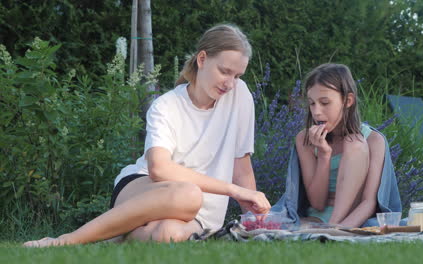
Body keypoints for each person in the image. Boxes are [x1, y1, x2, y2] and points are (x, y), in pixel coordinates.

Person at [24, 24, 271, 247]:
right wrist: (234, 191)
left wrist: (255, 219)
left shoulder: (240, 96)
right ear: (202, 59)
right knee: (188, 193)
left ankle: (112, 236)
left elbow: (241, 164)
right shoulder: (166, 105)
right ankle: (65, 241)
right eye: (225, 71)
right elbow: (159, 169)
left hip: (200, 214)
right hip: (144, 189)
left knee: (168, 234)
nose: (230, 83)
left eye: (237, 76)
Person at [270, 63, 401, 228]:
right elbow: (317, 203)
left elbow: (369, 202)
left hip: (354, 218)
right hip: (316, 218)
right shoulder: (305, 139)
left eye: (325, 103)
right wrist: (324, 155)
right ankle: (327, 229)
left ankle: (332, 228)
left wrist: (336, 229)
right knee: (274, 226)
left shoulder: (373, 141)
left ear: (348, 101)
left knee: (354, 144)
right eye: (312, 103)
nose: (316, 112)